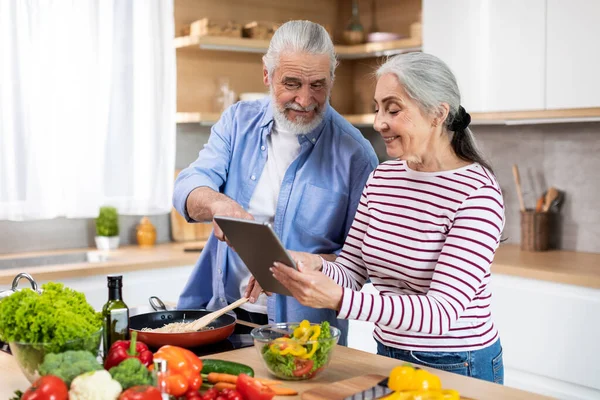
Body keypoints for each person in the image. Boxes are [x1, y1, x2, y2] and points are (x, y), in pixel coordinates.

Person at [269, 52, 505, 383]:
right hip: (388, 353)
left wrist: (340, 301)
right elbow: (351, 270)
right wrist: (310, 265)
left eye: (393, 110)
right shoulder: (383, 178)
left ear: (438, 113)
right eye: (377, 108)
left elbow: (442, 313)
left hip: (456, 362)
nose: (379, 122)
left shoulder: (477, 193)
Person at [173, 20, 379, 345]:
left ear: (332, 80)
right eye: (292, 82)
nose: (305, 98)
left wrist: (303, 264)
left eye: (318, 85)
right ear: (267, 75)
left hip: (303, 338)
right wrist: (218, 204)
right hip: (223, 320)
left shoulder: (357, 155)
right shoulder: (237, 121)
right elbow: (188, 186)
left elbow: (362, 263)